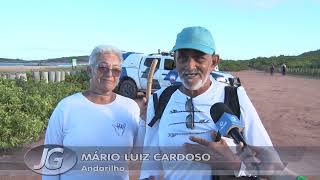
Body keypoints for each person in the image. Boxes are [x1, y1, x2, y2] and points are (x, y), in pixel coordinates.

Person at [139, 26, 273, 180]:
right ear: (175, 59)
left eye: (199, 57)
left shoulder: (235, 97)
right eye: (182, 57)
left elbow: (269, 165)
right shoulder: (159, 100)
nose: (190, 66)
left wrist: (235, 165)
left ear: (214, 61)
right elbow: (150, 163)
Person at [43, 45, 145, 180]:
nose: (109, 74)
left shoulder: (130, 107)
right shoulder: (66, 108)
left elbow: (136, 153)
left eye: (116, 70)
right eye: (103, 68)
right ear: (90, 70)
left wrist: (144, 120)